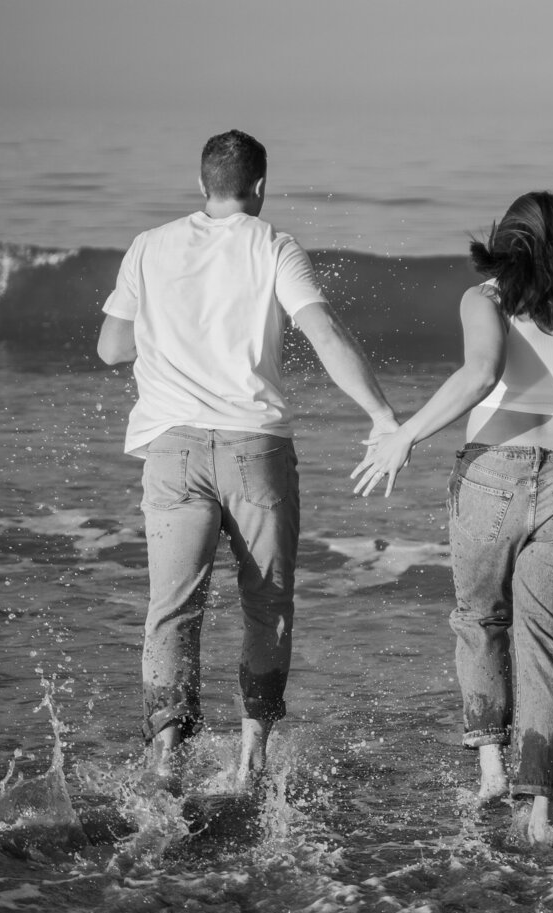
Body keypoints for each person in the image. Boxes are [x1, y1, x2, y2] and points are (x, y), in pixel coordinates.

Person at [98, 128, 397, 790]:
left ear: (201, 183)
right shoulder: (274, 246)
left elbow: (112, 347)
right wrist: (382, 417)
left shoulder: (148, 247)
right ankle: (252, 760)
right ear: (259, 186)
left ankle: (166, 759)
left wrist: (173, 339)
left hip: (172, 450)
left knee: (172, 608)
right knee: (268, 604)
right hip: (255, 450)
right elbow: (322, 331)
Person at [351, 192, 553, 844]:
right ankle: (539, 813)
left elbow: (482, 372)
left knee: (481, 619)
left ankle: (491, 771)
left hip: (491, 473)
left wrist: (406, 436)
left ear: (504, 239)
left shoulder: (485, 299)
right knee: (548, 647)